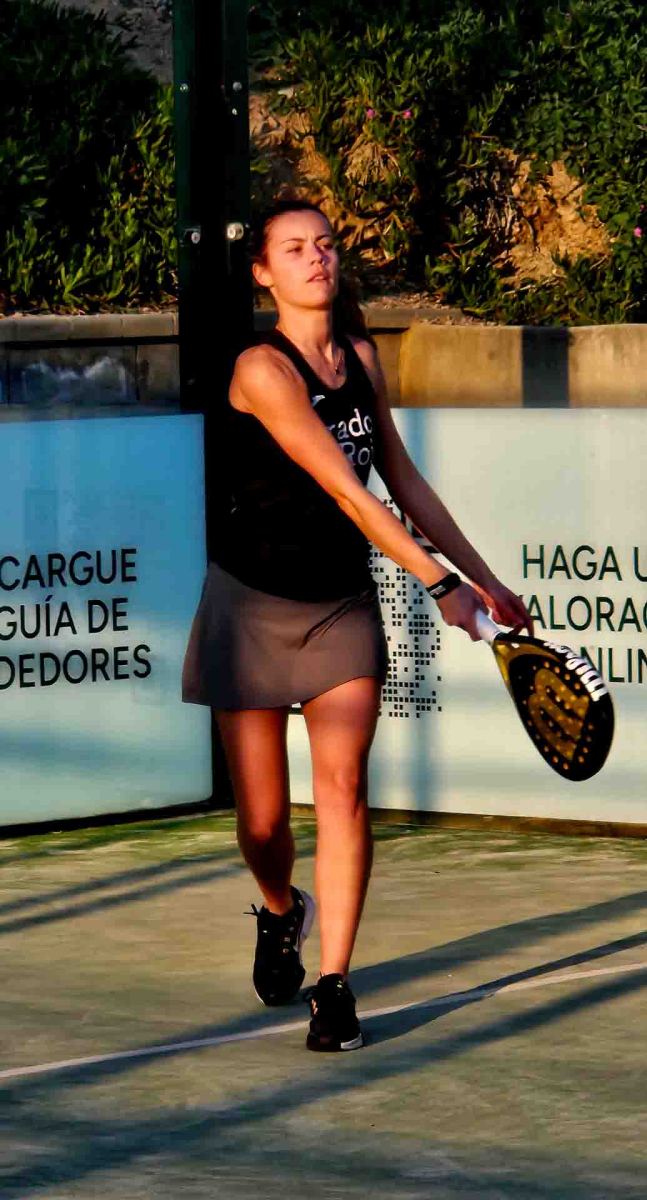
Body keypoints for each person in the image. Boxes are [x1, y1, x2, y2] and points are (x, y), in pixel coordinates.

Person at [182, 198, 532, 1052]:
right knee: (263, 824)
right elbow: (345, 488)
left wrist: (482, 579)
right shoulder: (259, 369)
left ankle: (334, 986)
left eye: (326, 244)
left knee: (341, 791)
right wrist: (437, 585)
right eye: (293, 249)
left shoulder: (363, 359)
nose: (316, 258)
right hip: (248, 606)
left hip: (340, 607)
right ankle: (280, 911)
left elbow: (400, 480)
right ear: (263, 274)